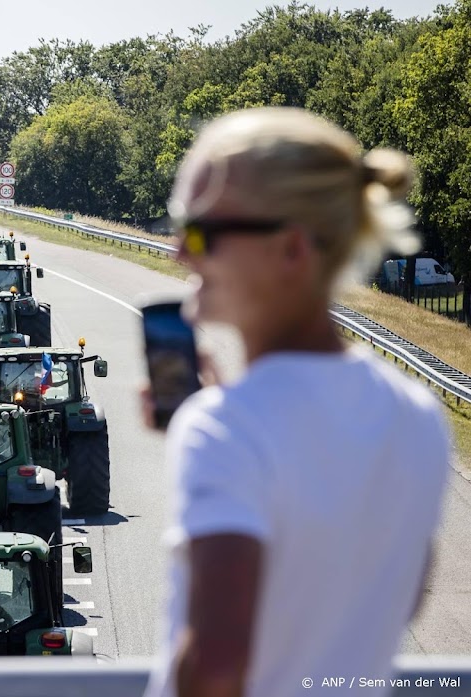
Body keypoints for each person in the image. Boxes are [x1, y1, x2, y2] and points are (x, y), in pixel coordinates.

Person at [142, 107, 449, 697]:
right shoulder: (417, 415)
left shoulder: (224, 429)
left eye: (202, 231)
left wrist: (210, 436)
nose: (179, 252)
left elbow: (215, 669)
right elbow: (394, 597)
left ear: (292, 248)